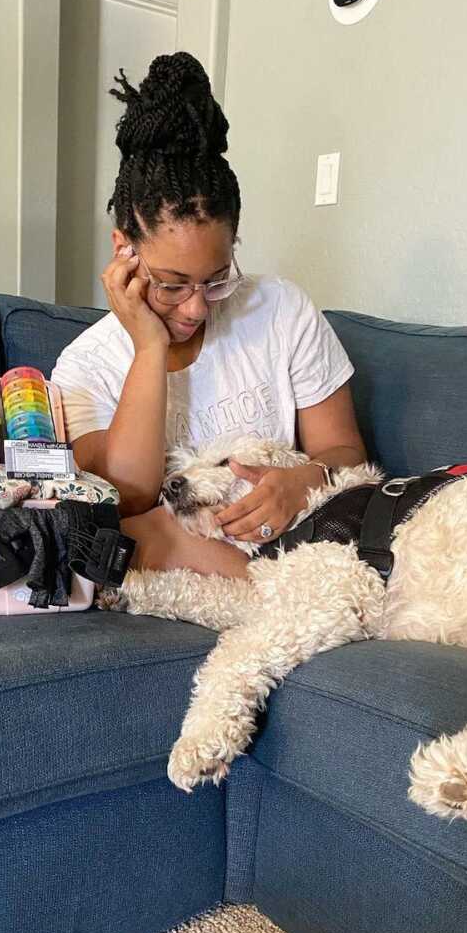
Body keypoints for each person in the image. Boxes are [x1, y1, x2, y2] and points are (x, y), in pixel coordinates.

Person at [52, 52, 366, 577]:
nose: (197, 307)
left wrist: (303, 480)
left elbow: (345, 450)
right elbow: (128, 497)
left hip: (302, 551)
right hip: (213, 574)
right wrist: (150, 347)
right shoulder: (84, 366)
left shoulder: (282, 309)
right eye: (173, 284)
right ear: (123, 249)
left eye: (217, 278)